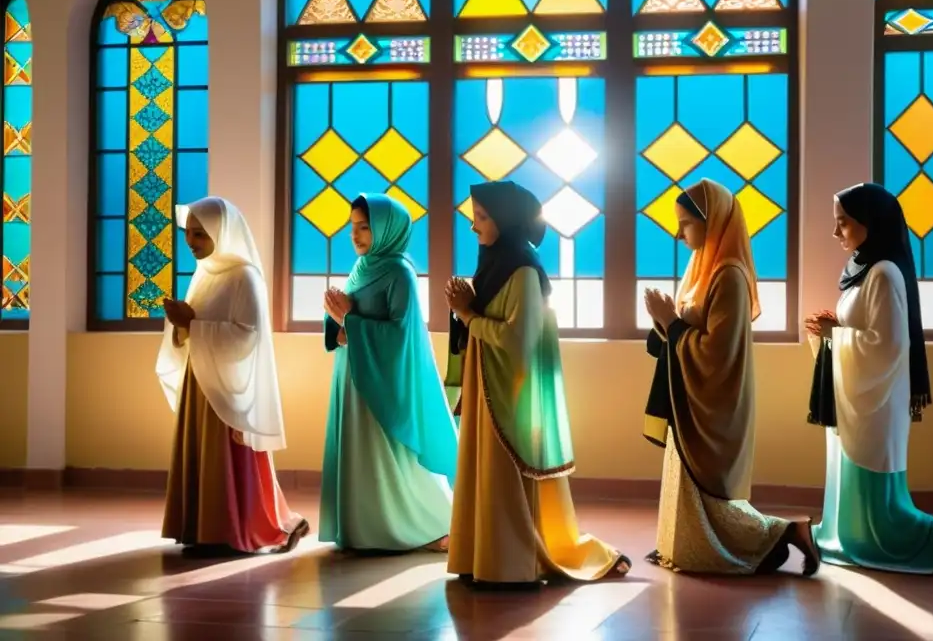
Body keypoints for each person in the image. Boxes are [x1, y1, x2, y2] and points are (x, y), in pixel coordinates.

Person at [805, 183, 933, 574]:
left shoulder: (885, 274)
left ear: (870, 223)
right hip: (855, 396)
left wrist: (836, 336)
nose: (835, 233)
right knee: (859, 498)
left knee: (885, 513)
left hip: (875, 400)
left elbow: (888, 346)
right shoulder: (863, 269)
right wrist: (831, 330)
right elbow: (865, 329)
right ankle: (852, 538)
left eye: (843, 223)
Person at [445, 180, 631, 586]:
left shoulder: (524, 273)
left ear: (506, 221)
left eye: (482, 218)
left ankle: (509, 564)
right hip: (487, 392)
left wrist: (469, 315)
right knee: (483, 474)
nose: (474, 228)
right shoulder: (494, 266)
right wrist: (464, 310)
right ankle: (480, 557)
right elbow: (480, 324)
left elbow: (519, 341)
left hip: (510, 396)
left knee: (503, 477)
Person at [642, 179, 819, 576]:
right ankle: (697, 543)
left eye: (686, 223)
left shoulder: (729, 275)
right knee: (691, 484)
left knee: (712, 493)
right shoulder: (700, 267)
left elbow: (716, 351)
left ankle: (785, 532)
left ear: (713, 220)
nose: (679, 233)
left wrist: (669, 321)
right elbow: (683, 330)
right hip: (689, 392)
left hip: (713, 395)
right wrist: (663, 323)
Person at [156, 196, 308, 555]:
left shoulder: (245, 277)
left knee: (226, 459)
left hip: (228, 388)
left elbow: (247, 335)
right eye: (188, 234)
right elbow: (192, 327)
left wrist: (192, 323)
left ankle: (234, 528)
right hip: (201, 381)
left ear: (221, 233)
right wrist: (182, 325)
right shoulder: (204, 274)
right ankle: (200, 528)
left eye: (200, 234)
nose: (191, 242)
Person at [320, 194, 457, 552]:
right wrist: (336, 317)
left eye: (365, 227)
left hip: (383, 381)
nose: (356, 234)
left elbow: (402, 333)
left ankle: (421, 526)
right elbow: (346, 321)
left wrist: (349, 318)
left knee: (388, 455)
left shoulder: (399, 273)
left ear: (386, 229)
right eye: (353, 226)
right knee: (359, 452)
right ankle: (362, 528)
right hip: (352, 377)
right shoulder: (360, 268)